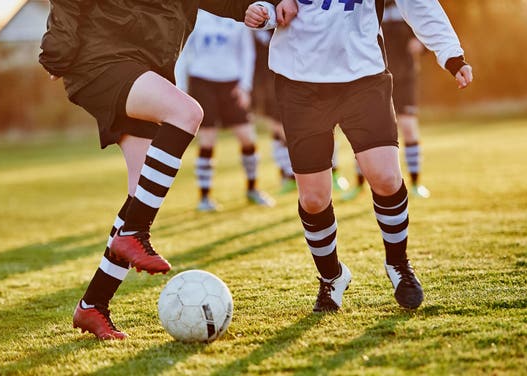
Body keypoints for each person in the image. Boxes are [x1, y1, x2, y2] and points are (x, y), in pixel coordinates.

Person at [39, 0, 295, 340]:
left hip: (144, 66)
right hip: (101, 60)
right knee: (186, 112)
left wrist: (248, 7)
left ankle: (93, 305)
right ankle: (134, 234)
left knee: (140, 189)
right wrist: (57, 49)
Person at [250, 0, 473, 311]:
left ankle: (398, 264)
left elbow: (419, 3)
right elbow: (268, 7)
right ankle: (332, 277)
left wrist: (451, 54)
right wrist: (264, 9)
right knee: (313, 198)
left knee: (384, 176)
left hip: (363, 75)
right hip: (300, 81)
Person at [175, 10, 276, 212]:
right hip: (202, 82)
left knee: (248, 138)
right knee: (207, 140)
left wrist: (245, 86)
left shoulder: (237, 14)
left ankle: (253, 189)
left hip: (231, 84)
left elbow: (247, 52)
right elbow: (184, 53)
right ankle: (204, 197)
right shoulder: (196, 15)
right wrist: (181, 90)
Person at [351, 0, 431, 198]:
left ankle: (415, 183)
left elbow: (428, 26)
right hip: (373, 77)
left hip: (405, 77)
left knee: (408, 127)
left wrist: (420, 43)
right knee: (365, 130)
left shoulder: (407, 3)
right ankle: (359, 184)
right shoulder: (365, 4)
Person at [252, 29, 296, 194]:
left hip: (284, 74)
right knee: (275, 128)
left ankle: (293, 172)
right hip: (262, 79)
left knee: (285, 128)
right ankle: (286, 174)